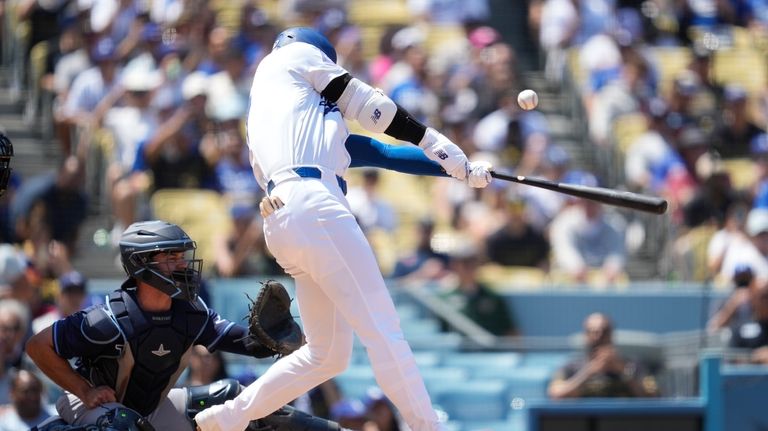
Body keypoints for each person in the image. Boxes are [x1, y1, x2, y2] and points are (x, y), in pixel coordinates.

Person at [193, 27, 493, 431]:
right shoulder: (291, 56)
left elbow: (380, 153)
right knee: (385, 333)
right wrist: (433, 139)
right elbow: (371, 106)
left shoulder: (287, 113)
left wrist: (460, 169)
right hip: (314, 206)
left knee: (327, 355)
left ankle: (229, 417)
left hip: (288, 218)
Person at [24, 220, 339, 431]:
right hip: (94, 409)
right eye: (171, 256)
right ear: (141, 263)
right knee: (122, 424)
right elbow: (37, 346)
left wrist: (280, 340)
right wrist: (84, 389)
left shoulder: (190, 313)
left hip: (150, 410)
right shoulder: (105, 320)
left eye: (182, 256)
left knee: (233, 397)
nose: (183, 264)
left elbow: (244, 343)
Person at [547, 313, 657, 399]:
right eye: (593, 331)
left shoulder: (633, 366)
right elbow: (556, 394)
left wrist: (623, 371)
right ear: (585, 335)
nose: (598, 336)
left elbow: (654, 396)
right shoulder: (572, 367)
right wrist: (587, 373)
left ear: (611, 334)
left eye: (604, 331)